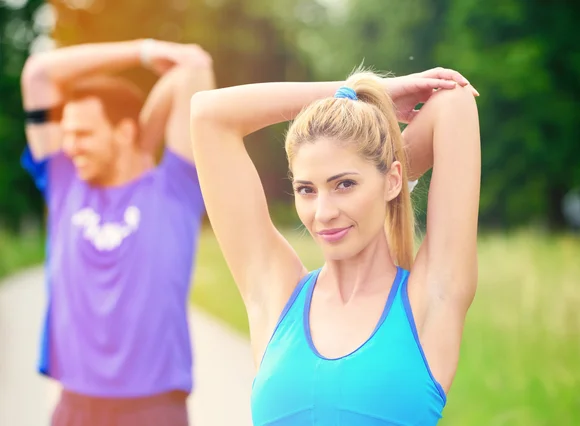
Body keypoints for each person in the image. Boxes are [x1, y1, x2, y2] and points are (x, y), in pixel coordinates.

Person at [189, 67, 480, 425]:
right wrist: (360, 92)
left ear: (392, 180)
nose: (323, 213)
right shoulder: (277, 295)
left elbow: (454, 102)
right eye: (306, 190)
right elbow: (207, 115)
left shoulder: (431, 299)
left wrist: (371, 116)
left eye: (344, 185)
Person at [20, 38, 214, 425]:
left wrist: (146, 137)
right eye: (68, 133)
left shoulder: (174, 188)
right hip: (73, 406)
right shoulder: (63, 182)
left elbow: (194, 66)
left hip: (155, 408)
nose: (70, 146)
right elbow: (37, 73)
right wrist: (142, 51)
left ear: (124, 132)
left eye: (84, 134)